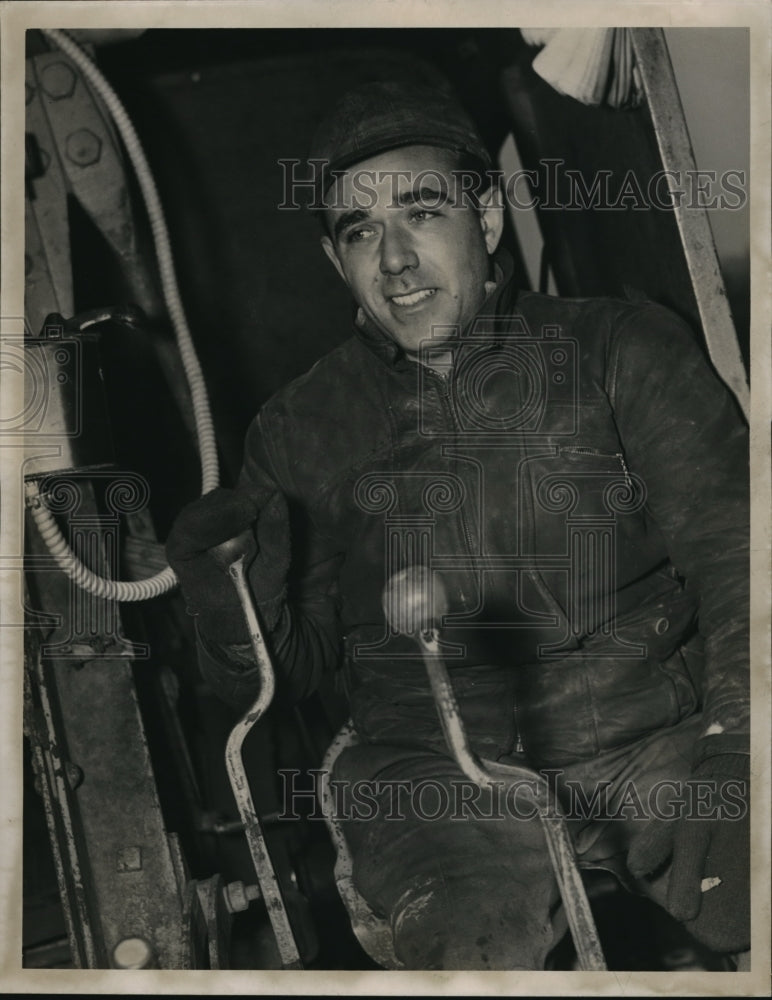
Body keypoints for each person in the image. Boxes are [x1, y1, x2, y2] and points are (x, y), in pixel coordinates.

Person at [166, 80, 750, 970]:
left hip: (656, 741)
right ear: (337, 263)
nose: (394, 258)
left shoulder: (619, 347)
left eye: (422, 212)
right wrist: (230, 595)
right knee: (469, 953)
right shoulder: (300, 430)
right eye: (360, 232)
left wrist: (744, 735)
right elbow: (278, 682)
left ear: (485, 218)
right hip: (435, 786)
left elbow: (740, 552)